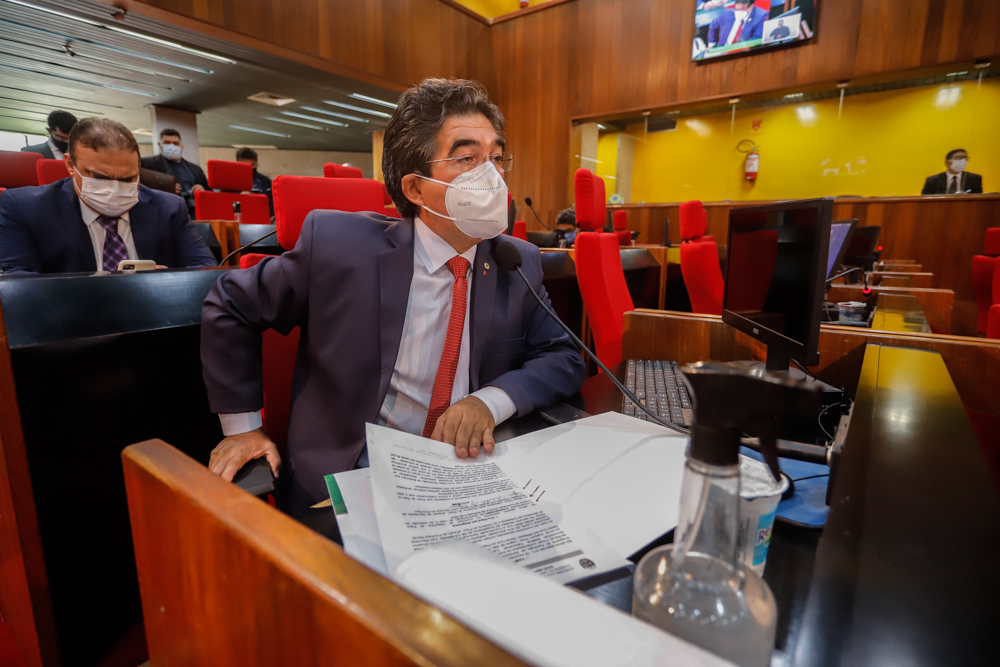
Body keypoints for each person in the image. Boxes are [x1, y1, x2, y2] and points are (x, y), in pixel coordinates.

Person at [201, 78, 587, 511]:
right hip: (354, 478)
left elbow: (563, 357)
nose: (491, 176)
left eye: (496, 158)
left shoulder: (516, 261)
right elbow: (230, 304)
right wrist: (241, 429)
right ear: (415, 188)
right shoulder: (340, 247)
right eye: (467, 158)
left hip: (466, 471)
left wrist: (489, 402)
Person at [0, 118, 216, 274]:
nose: (115, 189)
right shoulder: (23, 208)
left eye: (128, 179)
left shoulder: (170, 207)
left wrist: (168, 280)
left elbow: (205, 268)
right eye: (100, 177)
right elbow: (17, 281)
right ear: (70, 165)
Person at [140, 128, 207, 215]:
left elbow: (209, 190)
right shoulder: (146, 164)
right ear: (160, 145)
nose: (172, 146)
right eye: (167, 143)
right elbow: (140, 188)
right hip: (164, 212)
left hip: (195, 212)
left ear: (181, 146)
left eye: (175, 143)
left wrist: (202, 190)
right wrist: (166, 187)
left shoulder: (196, 169)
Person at [235, 147, 273, 216]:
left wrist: (273, 216)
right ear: (237, 163)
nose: (249, 168)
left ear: (256, 164)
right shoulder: (229, 182)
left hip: (262, 217)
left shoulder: (265, 181)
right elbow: (226, 205)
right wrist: (240, 198)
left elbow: (272, 203)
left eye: (252, 165)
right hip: (238, 218)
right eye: (245, 165)